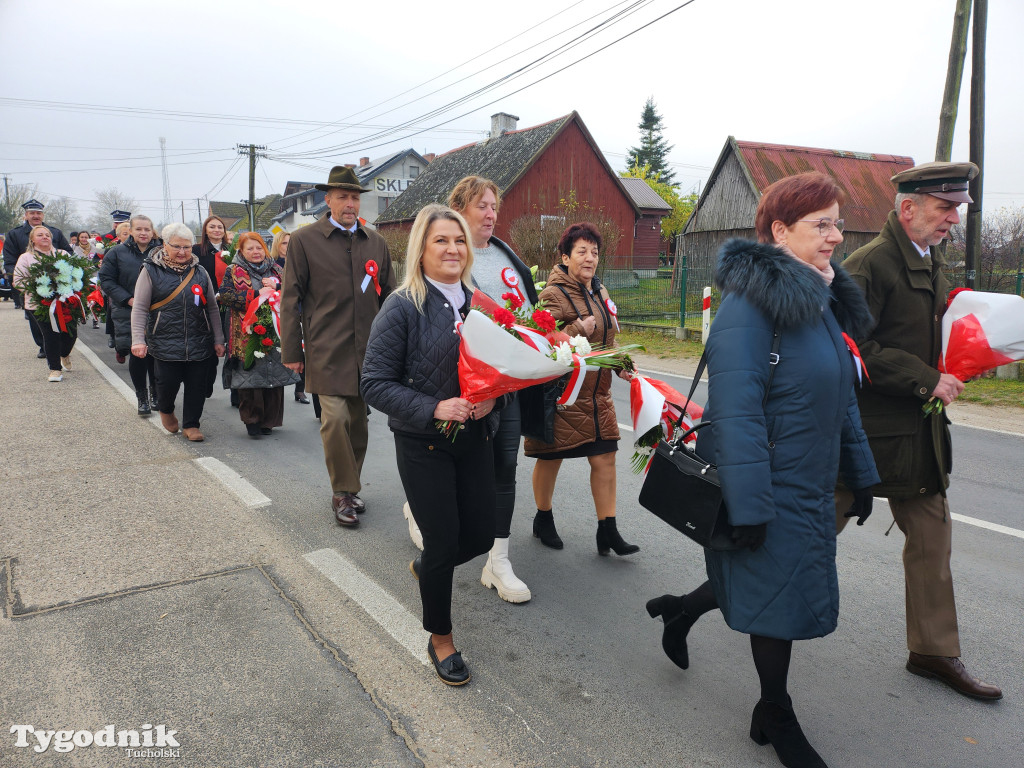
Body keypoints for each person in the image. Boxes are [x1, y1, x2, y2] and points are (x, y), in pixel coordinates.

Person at [644, 173, 879, 768]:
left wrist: (861, 472)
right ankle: (775, 713)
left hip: (810, 481)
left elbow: (840, 393)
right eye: (820, 224)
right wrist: (750, 506)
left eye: (837, 223)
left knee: (776, 585)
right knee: (778, 599)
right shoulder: (749, 307)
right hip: (767, 485)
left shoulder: (819, 298)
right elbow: (735, 412)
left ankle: (681, 610)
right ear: (779, 230)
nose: (836, 236)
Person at [837, 161, 1002, 701]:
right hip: (864, 436)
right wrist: (927, 377)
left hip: (918, 433)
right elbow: (851, 347)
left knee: (933, 540)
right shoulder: (868, 265)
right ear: (908, 208)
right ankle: (714, 599)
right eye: (945, 207)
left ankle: (932, 651)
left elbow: (926, 334)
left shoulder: (931, 261)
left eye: (957, 208)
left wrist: (964, 360)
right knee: (804, 536)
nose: (954, 218)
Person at [361, 204, 499, 686]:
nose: (453, 249)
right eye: (441, 240)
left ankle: (428, 567)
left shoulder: (480, 303)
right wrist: (434, 407)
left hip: (475, 438)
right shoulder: (402, 306)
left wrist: (493, 401)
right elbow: (374, 383)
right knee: (443, 541)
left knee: (480, 537)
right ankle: (441, 637)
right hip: (425, 444)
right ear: (421, 248)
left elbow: (499, 372)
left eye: (459, 240)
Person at [280, 166, 395, 527]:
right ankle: (342, 492)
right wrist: (292, 352)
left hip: (368, 351)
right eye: (343, 196)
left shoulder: (375, 242)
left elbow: (391, 298)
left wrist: (397, 347)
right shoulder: (304, 241)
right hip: (325, 348)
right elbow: (290, 298)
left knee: (358, 423)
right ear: (327, 199)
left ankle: (350, 485)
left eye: (355, 197)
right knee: (334, 420)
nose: (350, 204)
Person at [523, 222, 638, 556]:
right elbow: (541, 341)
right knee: (551, 459)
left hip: (598, 397)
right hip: (563, 397)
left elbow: (607, 340)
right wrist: (577, 328)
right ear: (565, 257)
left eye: (595, 252)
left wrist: (621, 364)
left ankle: (608, 530)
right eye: (582, 251)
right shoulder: (552, 294)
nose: (590, 258)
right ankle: (543, 517)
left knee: (605, 459)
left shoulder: (600, 292)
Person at [130, 223, 225, 441]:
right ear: (165, 245)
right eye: (177, 247)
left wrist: (218, 339)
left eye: (187, 247)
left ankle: (192, 424)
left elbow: (212, 307)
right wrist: (138, 339)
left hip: (199, 339)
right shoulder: (150, 270)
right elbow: (140, 307)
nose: (182, 252)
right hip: (164, 340)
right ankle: (166, 409)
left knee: (197, 385)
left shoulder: (200, 271)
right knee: (167, 384)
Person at [218, 232, 300, 438]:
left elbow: (293, 290)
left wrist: (277, 288)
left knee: (274, 376)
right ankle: (252, 420)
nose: (256, 252)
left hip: (274, 330)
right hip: (246, 332)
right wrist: (255, 295)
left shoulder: (277, 269)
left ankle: (269, 421)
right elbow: (225, 295)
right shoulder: (234, 270)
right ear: (241, 251)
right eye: (250, 248)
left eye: (259, 248)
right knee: (250, 376)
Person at [98, 215, 161, 415]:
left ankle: (156, 394)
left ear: (152, 231)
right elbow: (106, 280)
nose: (143, 233)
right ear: (131, 231)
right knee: (139, 354)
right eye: (139, 229)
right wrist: (128, 299)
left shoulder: (161, 251)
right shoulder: (116, 253)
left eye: (147, 229)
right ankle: (142, 397)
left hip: (158, 310)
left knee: (156, 355)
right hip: (129, 310)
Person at [3, 199, 73, 357]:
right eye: (32, 213)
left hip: (57, 284)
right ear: (26, 215)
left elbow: (68, 252)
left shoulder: (55, 232)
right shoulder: (15, 234)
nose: (36, 216)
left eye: (39, 213)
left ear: (43, 215)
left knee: (60, 314)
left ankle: (58, 345)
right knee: (36, 316)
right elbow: (9, 260)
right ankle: (43, 345)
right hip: (30, 285)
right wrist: (19, 279)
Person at [12, 225, 82, 382]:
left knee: (70, 334)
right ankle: (55, 369)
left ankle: (64, 353)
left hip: (65, 302)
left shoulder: (62, 254)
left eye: (47, 235)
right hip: (39, 304)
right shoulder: (26, 257)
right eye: (40, 235)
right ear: (32, 239)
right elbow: (18, 281)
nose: (44, 237)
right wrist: (38, 289)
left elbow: (75, 274)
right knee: (51, 335)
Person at [193, 215, 233, 403]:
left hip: (229, 304)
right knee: (211, 348)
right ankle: (206, 383)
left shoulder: (232, 250)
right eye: (212, 227)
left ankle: (237, 392)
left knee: (233, 347)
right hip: (205, 303)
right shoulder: (196, 251)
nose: (217, 230)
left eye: (220, 227)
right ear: (205, 230)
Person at [269, 230, 309, 405]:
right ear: (277, 246)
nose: (288, 246)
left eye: (291, 243)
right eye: (284, 243)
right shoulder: (272, 265)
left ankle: (300, 390)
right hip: (280, 313)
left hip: (303, 310)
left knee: (304, 351)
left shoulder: (302, 262)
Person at [103, 221, 132, 348]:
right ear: (118, 236)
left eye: (130, 233)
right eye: (125, 234)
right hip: (117, 287)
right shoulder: (112, 251)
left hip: (131, 285)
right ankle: (113, 335)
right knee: (112, 309)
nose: (128, 236)